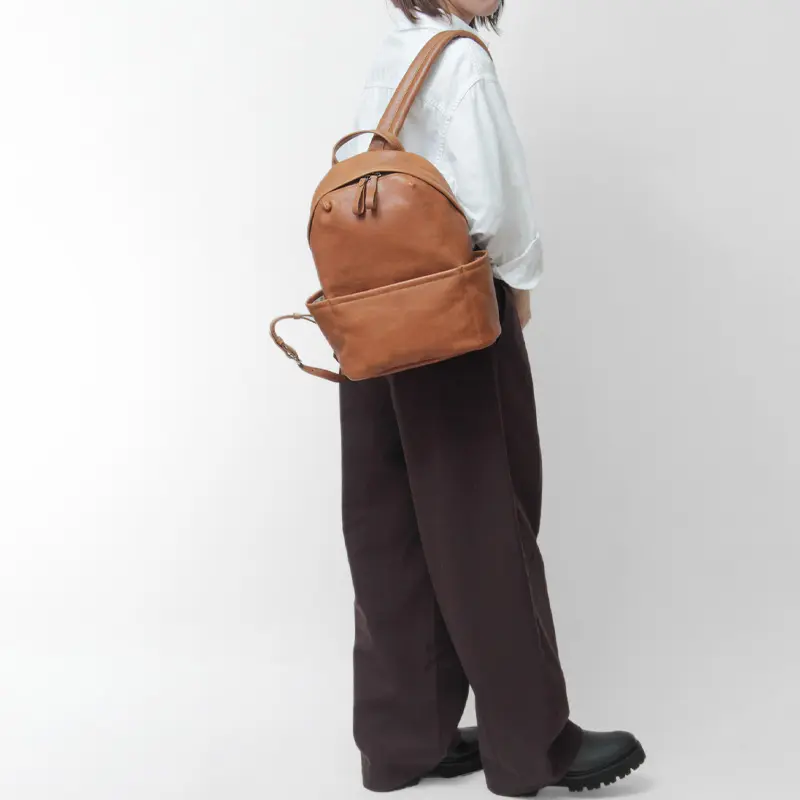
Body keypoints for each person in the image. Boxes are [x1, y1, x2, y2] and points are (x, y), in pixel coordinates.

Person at [335, 1, 646, 795]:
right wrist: (521, 282)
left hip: (372, 313)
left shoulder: (395, 52)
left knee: (391, 528)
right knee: (485, 524)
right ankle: (534, 747)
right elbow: (495, 209)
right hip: (451, 313)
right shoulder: (461, 59)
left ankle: (404, 742)